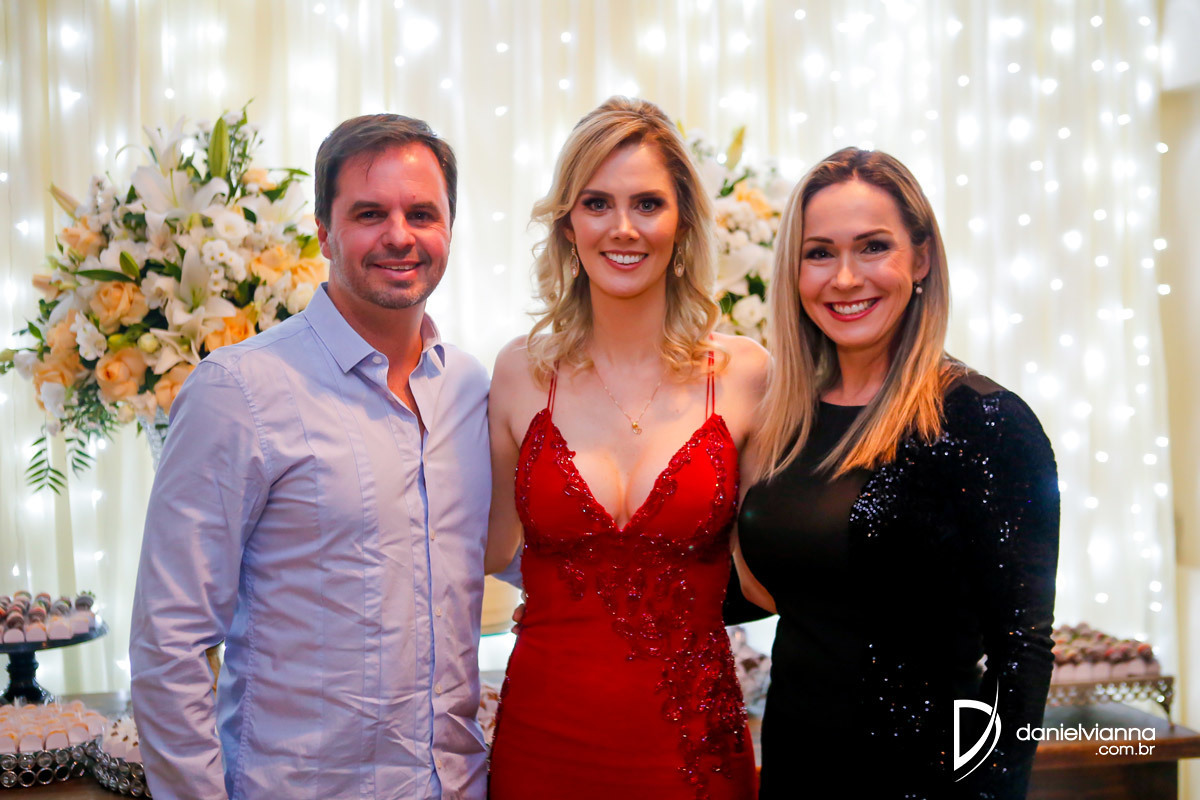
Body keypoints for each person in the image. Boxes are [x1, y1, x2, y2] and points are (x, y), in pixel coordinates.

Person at [130, 114, 493, 800]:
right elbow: (169, 643)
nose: (399, 235)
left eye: (422, 213)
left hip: (456, 785)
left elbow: (542, 555)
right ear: (323, 231)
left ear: (450, 227)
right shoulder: (238, 391)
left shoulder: (472, 390)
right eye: (369, 213)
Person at [734, 147, 1060, 798]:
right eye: (819, 252)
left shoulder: (982, 420)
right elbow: (771, 588)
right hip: (794, 770)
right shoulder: (787, 418)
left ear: (922, 259)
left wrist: (988, 789)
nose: (844, 277)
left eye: (873, 247)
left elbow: (1021, 653)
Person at [485, 96, 767, 800]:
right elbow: (479, 551)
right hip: (542, 741)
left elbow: (776, 570)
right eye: (596, 203)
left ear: (683, 222)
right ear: (568, 224)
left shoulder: (746, 375)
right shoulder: (520, 372)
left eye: (647, 203)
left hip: (692, 750)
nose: (623, 227)